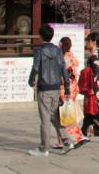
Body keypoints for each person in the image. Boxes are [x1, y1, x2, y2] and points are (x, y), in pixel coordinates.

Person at [27, 24, 71, 156]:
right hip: (56, 87)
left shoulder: (39, 50)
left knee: (45, 118)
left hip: (44, 87)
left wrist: (31, 80)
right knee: (54, 116)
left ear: (41, 36)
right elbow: (64, 68)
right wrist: (67, 87)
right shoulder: (58, 50)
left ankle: (43, 148)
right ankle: (67, 141)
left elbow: (35, 67)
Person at [57, 36, 85, 147]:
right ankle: (61, 141)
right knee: (64, 114)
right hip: (73, 87)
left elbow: (63, 76)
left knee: (66, 115)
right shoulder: (72, 57)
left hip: (65, 88)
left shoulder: (63, 58)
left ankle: (77, 137)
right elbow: (76, 73)